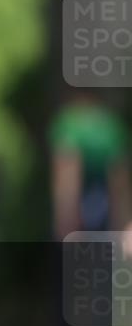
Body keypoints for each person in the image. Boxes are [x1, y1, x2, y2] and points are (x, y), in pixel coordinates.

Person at [50, 91, 131, 240]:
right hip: (104, 205)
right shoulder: (113, 125)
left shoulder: (68, 122)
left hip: (82, 205)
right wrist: (124, 224)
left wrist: (65, 216)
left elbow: (68, 172)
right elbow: (120, 182)